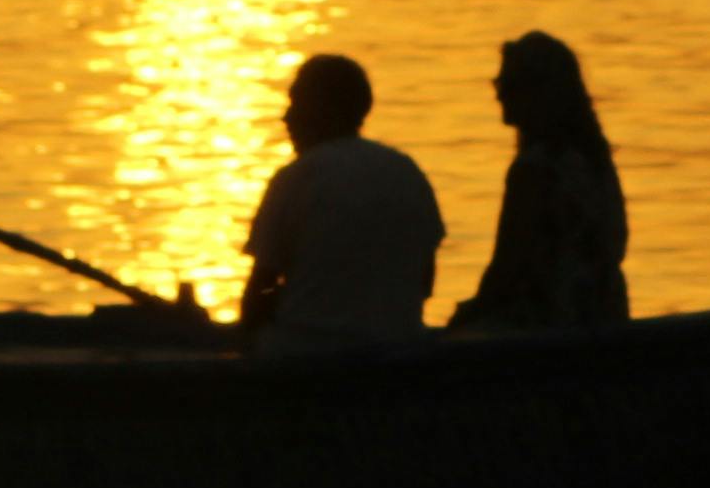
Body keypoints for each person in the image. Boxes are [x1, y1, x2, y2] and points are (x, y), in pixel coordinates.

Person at [237, 52, 441, 347]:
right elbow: (425, 281)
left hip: (310, 356)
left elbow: (259, 290)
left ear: (323, 110)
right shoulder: (406, 171)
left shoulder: (296, 178)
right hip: (399, 350)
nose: (287, 117)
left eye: (298, 104)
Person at [447, 29, 632, 331]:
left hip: (550, 322)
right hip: (604, 314)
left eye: (509, 84)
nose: (499, 93)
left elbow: (507, 267)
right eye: (499, 83)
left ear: (540, 93)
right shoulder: (595, 159)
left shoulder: (535, 168)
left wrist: (465, 316)